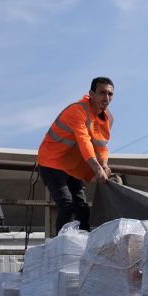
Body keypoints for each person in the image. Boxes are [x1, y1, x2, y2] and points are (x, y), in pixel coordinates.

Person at [37, 77, 115, 234]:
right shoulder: (78, 110)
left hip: (71, 167)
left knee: (83, 210)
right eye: (102, 93)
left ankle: (82, 249)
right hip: (51, 162)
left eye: (110, 94)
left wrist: (104, 164)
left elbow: (102, 145)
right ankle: (60, 248)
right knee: (66, 204)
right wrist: (97, 169)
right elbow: (84, 141)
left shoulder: (107, 119)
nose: (106, 98)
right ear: (91, 94)